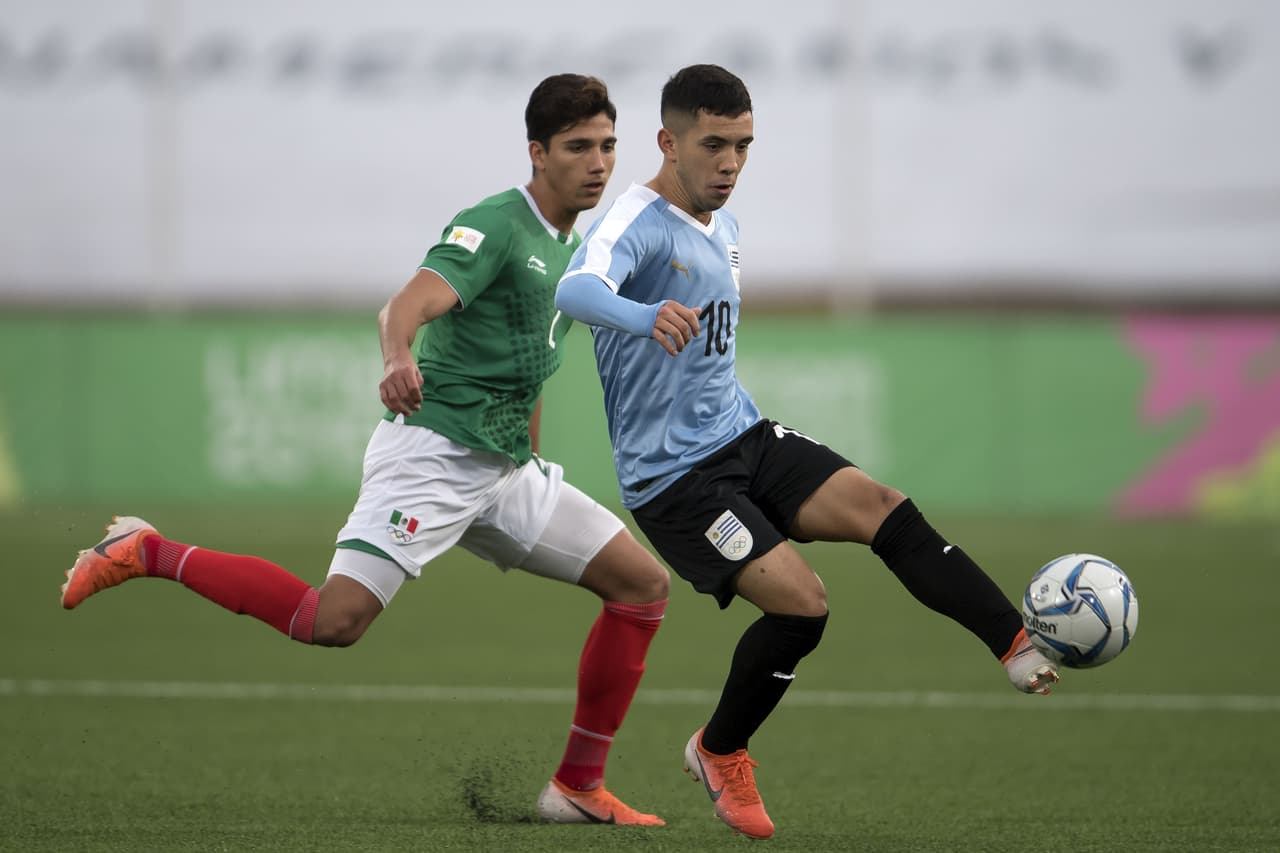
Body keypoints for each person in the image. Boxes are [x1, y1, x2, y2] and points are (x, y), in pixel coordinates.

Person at [61, 73, 670, 828]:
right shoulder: (495, 225)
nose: (599, 162)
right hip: (434, 456)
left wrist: (529, 455)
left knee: (642, 585)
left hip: (506, 470)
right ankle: (146, 550)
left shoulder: (569, 243)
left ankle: (576, 787)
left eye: (608, 145)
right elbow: (407, 304)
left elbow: (527, 357)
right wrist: (395, 357)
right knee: (334, 621)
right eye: (579, 147)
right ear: (537, 153)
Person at [554, 64, 1059, 840]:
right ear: (668, 141)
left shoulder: (725, 224)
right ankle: (720, 749)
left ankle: (1013, 639)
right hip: (674, 480)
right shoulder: (633, 219)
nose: (730, 163)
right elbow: (576, 291)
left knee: (882, 506)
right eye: (714, 144)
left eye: (744, 146)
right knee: (804, 603)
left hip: (743, 435)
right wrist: (641, 310)